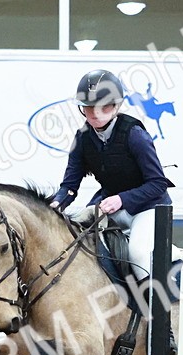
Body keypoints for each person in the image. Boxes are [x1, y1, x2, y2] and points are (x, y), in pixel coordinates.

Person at [50, 69, 173, 283]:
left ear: (117, 105)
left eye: (103, 106)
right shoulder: (82, 139)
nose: (95, 112)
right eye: (89, 107)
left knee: (138, 253)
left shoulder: (135, 135)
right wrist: (54, 206)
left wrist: (121, 199)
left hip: (149, 208)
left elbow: (158, 184)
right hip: (111, 206)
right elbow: (70, 186)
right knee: (77, 240)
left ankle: (155, 310)